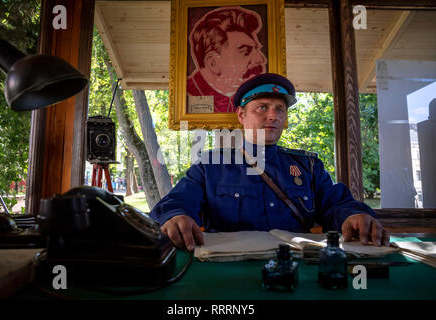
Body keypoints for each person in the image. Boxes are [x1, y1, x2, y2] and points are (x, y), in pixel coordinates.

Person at [151, 73, 389, 252]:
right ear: (241, 115)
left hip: (297, 266)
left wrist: (354, 216)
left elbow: (337, 205)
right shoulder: (211, 166)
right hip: (229, 267)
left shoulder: (308, 166)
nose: (273, 116)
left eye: (280, 110)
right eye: (262, 108)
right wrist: (176, 216)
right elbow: (176, 203)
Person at [187, 7, 267, 113]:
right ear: (212, 63)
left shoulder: (251, 95)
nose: (261, 59)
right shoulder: (190, 92)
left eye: (256, 49)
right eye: (246, 51)